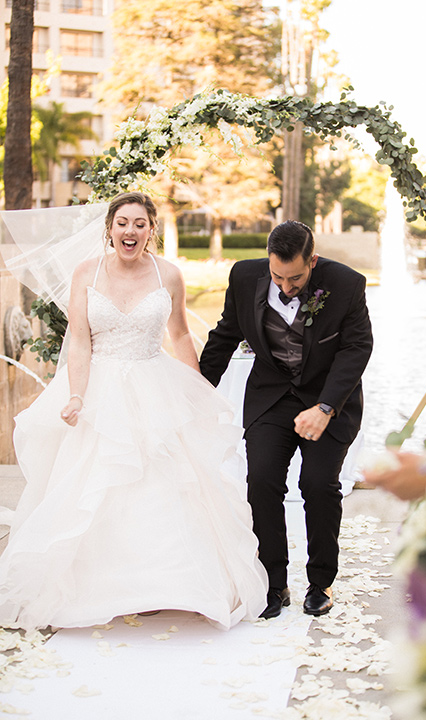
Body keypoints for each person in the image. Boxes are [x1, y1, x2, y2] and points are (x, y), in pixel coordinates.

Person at [0, 192, 267, 631]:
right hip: (99, 389)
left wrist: (197, 388)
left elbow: (180, 336)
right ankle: (100, 585)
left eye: (139, 224)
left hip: (154, 384)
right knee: (95, 485)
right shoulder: (86, 272)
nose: (130, 231)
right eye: (122, 223)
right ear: (109, 228)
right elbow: (81, 341)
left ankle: (172, 584)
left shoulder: (170, 275)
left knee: (165, 483)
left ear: (151, 229)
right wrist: (77, 395)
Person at [200, 220, 373, 619]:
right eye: (277, 275)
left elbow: (356, 348)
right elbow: (225, 336)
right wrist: (197, 392)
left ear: (312, 260)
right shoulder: (244, 277)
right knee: (261, 481)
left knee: (318, 485)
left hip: (327, 399)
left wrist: (326, 408)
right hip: (270, 397)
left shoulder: (346, 284)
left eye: (295, 278)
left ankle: (320, 582)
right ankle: (274, 584)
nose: (285, 286)